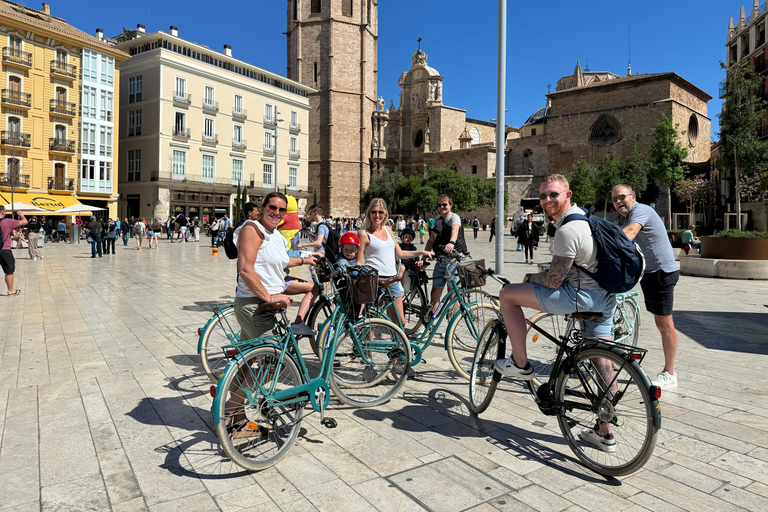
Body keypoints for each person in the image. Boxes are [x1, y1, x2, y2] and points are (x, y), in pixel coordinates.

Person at [495, 174, 617, 452]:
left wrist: (529, 277)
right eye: (543, 196)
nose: (547, 200)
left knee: (508, 295)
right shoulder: (586, 219)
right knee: (601, 360)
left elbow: (553, 280)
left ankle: (520, 363)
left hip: (579, 297)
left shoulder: (567, 230)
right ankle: (605, 432)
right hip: (605, 298)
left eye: (553, 195)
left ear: (568, 195)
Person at [613, 184, 680, 390]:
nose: (618, 202)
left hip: (661, 273)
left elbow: (631, 233)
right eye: (615, 199)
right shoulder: (624, 218)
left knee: (664, 323)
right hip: (647, 273)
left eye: (622, 197)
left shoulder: (640, 211)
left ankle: (670, 373)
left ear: (633, 197)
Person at [233, 192, 319, 339]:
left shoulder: (276, 235)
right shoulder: (252, 229)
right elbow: (245, 269)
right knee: (276, 355)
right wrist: (269, 298)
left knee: (250, 357)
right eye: (272, 207)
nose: (277, 213)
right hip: (256, 304)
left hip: (268, 303)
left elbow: (283, 261)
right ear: (263, 208)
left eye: (281, 210)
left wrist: (307, 260)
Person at [357, 198, 432, 327]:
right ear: (369, 213)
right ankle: (367, 347)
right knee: (373, 324)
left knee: (400, 321)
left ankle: (398, 346)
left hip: (392, 280)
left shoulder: (388, 230)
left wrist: (422, 252)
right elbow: (358, 262)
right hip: (376, 281)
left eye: (380, 212)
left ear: (385, 214)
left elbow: (400, 254)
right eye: (374, 212)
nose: (377, 215)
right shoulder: (364, 234)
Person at [423, 194, 466, 312]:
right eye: (440, 205)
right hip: (441, 261)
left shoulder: (454, 217)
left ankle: (451, 327)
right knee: (435, 294)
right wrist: (424, 256)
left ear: (450, 205)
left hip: (453, 260)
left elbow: (455, 229)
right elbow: (431, 240)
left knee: (453, 294)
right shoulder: (437, 221)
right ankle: (431, 323)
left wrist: (451, 242)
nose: (442, 207)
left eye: (445, 204)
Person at [0, 207, 25, 295]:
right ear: (3, 212)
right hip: (4, 250)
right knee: (9, 270)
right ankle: (10, 290)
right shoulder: (7, 221)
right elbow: (24, 222)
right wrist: (21, 215)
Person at [396, 227, 424, 295]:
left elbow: (416, 256)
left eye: (410, 238)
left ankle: (415, 286)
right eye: (406, 237)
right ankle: (398, 282)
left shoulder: (413, 248)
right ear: (402, 238)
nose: (408, 239)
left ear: (412, 239)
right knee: (402, 268)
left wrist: (417, 262)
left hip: (410, 265)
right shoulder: (399, 246)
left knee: (418, 270)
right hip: (401, 264)